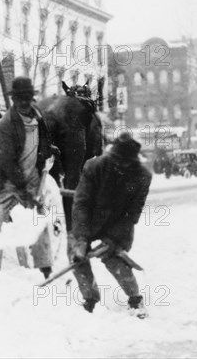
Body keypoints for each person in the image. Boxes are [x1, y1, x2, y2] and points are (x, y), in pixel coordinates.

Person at [0, 77, 57, 278]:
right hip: (1, 184)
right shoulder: (5, 125)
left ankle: (38, 271)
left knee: (34, 226)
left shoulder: (39, 119)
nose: (23, 102)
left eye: (27, 98)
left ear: (32, 98)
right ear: (13, 100)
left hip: (28, 181)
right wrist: (23, 189)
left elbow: (44, 144)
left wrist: (51, 153)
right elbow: (7, 162)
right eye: (19, 98)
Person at [70, 132, 152, 317]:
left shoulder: (142, 176)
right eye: (117, 161)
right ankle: (91, 299)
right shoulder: (94, 167)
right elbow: (81, 203)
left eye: (125, 163)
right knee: (77, 256)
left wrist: (113, 239)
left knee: (113, 256)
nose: (120, 166)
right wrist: (82, 238)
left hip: (119, 224)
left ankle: (135, 299)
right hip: (89, 220)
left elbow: (133, 212)